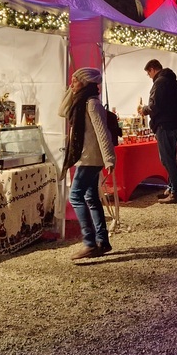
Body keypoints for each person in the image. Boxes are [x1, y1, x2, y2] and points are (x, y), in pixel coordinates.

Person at [60, 67, 116, 260]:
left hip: (90, 158)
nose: (72, 83)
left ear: (85, 82)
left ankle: (89, 242)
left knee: (75, 196)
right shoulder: (80, 101)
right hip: (87, 157)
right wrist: (71, 90)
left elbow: (102, 132)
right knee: (91, 198)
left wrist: (109, 159)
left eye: (75, 81)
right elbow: (62, 110)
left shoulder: (91, 103)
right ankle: (103, 241)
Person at [141, 59, 177, 204]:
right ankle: (172, 188)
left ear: (153, 69)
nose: (149, 76)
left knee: (167, 159)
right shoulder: (172, 81)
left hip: (165, 125)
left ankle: (176, 193)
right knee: (170, 158)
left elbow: (154, 105)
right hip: (174, 124)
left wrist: (144, 109)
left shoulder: (160, 83)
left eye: (148, 73)